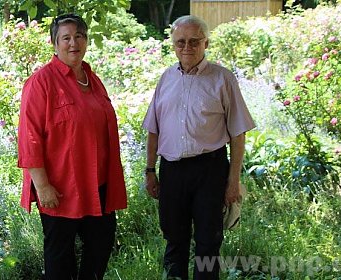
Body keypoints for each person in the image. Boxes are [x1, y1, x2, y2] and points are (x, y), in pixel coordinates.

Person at [142, 15, 255, 280]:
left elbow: (238, 135)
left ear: (206, 43)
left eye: (194, 41)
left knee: (208, 242)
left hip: (210, 170)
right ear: (173, 45)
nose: (187, 47)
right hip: (172, 171)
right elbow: (153, 129)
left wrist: (233, 181)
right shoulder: (166, 79)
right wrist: (150, 170)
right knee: (174, 239)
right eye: (181, 42)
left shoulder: (223, 79)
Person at [17, 13, 128, 280]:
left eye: (78, 36)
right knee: (60, 259)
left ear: (86, 40)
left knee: (100, 247)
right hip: (61, 190)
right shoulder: (41, 82)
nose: (73, 43)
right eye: (65, 37)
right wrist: (42, 186)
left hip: (98, 186)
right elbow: (29, 139)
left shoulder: (92, 79)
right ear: (54, 43)